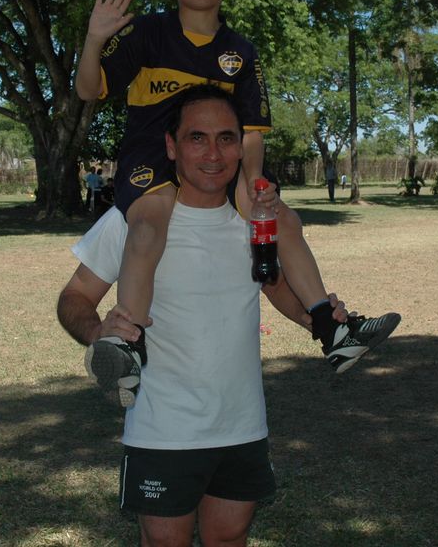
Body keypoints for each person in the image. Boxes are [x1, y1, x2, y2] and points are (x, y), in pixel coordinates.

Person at [57, 88, 393, 545]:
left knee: (230, 538)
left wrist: (317, 319)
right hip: (162, 430)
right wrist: (98, 331)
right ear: (171, 146)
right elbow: (75, 296)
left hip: (242, 424)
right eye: (197, 138)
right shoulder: (134, 219)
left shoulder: (255, 219)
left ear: (242, 148)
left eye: (226, 138)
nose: (213, 154)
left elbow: (273, 285)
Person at [75, 0, 398, 398]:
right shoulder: (146, 33)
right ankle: (128, 345)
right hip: (153, 158)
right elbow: (88, 89)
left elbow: (251, 132)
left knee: (283, 219)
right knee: (146, 227)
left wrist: (254, 184)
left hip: (219, 161)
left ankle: (335, 332)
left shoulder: (240, 52)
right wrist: (94, 39)